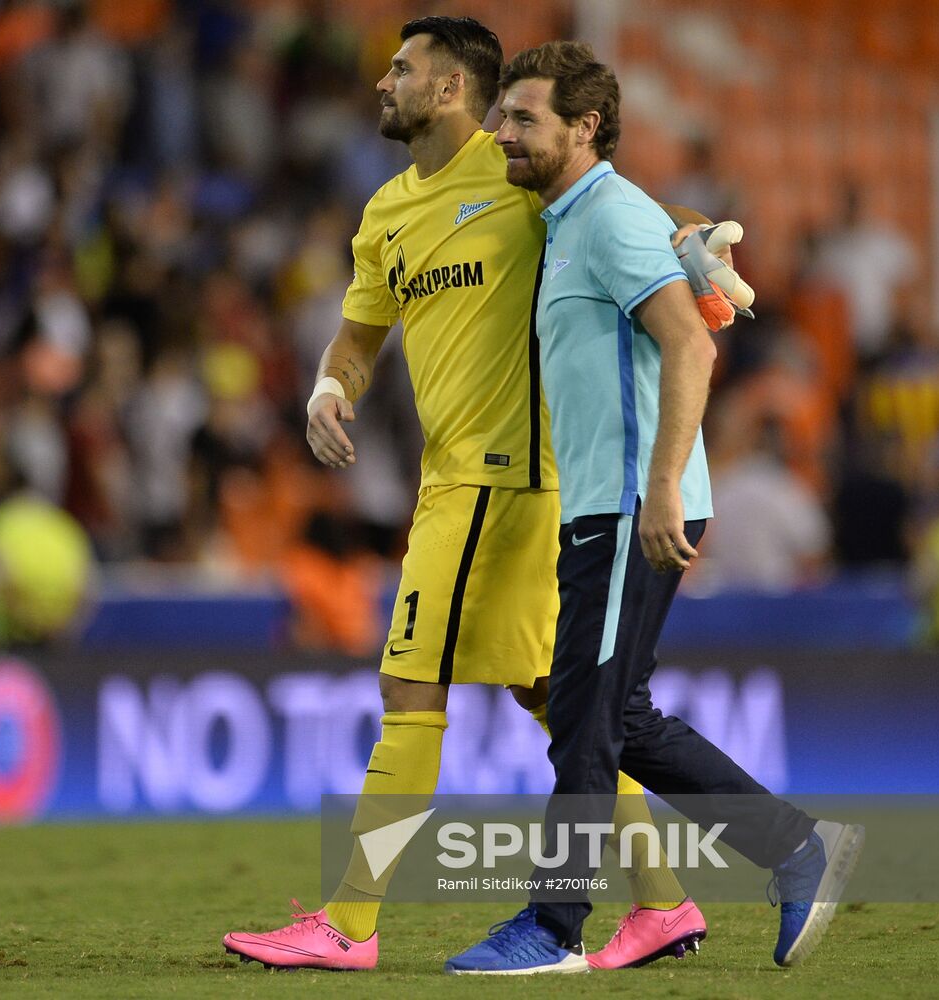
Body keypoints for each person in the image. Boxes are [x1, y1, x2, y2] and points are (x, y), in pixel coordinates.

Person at [223, 17, 711, 973]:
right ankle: (662, 905)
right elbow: (359, 335)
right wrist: (331, 388)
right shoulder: (383, 215)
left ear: (450, 88)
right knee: (560, 703)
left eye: (402, 69)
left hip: (510, 482)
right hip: (454, 481)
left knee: (412, 685)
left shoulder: (520, 171)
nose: (383, 82)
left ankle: (349, 924)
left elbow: (636, 218)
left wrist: (699, 249)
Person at [444, 41, 864, 977]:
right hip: (609, 502)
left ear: (584, 128)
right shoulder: (573, 214)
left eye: (524, 118)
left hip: (635, 501)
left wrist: (665, 484)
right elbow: (665, 230)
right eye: (502, 114)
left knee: (586, 718)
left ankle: (553, 927)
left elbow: (692, 347)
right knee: (612, 713)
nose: (501, 131)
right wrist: (692, 227)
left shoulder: (607, 218)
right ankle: (796, 848)